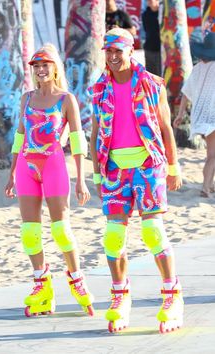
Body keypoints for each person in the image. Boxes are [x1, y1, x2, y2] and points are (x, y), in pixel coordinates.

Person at [89, 28, 184, 333]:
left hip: (147, 165)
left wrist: (173, 167)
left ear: (131, 51)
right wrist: (95, 171)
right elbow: (94, 133)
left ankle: (172, 295)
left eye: (119, 51)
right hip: (115, 169)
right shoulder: (99, 89)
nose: (113, 57)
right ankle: (121, 297)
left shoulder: (151, 84)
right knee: (113, 237)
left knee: (153, 230)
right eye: (109, 51)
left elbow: (166, 128)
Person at [5, 43, 94, 317]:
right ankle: (41, 285)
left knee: (61, 230)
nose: (41, 70)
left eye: (46, 65)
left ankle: (77, 279)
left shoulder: (66, 99)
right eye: (37, 66)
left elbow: (78, 142)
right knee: (29, 233)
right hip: (26, 167)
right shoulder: (27, 98)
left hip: (54, 164)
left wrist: (81, 179)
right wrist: (11, 173)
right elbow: (20, 136)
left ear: (55, 68)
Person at [173, 32, 215, 198]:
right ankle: (205, 187)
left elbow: (186, 93)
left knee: (210, 153)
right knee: (213, 155)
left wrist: (181, 114)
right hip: (212, 115)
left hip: (199, 116)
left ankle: (210, 184)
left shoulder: (197, 68)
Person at [142, 0, 161, 76]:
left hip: (160, 49)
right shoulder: (145, 14)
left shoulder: (162, 13)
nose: (149, 2)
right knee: (150, 75)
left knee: (160, 74)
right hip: (149, 48)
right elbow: (148, 30)